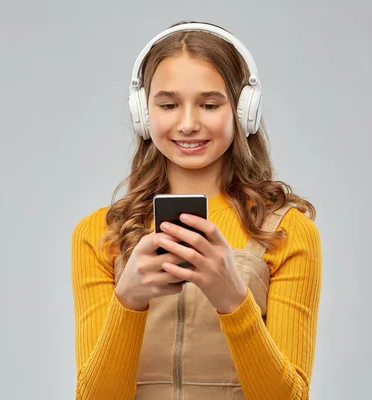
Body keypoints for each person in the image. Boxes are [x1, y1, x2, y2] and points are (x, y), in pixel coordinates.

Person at [71, 21, 322, 400]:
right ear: (143, 113)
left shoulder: (287, 232)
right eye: (169, 105)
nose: (188, 124)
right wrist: (129, 301)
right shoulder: (98, 234)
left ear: (242, 111)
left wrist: (233, 300)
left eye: (209, 104)